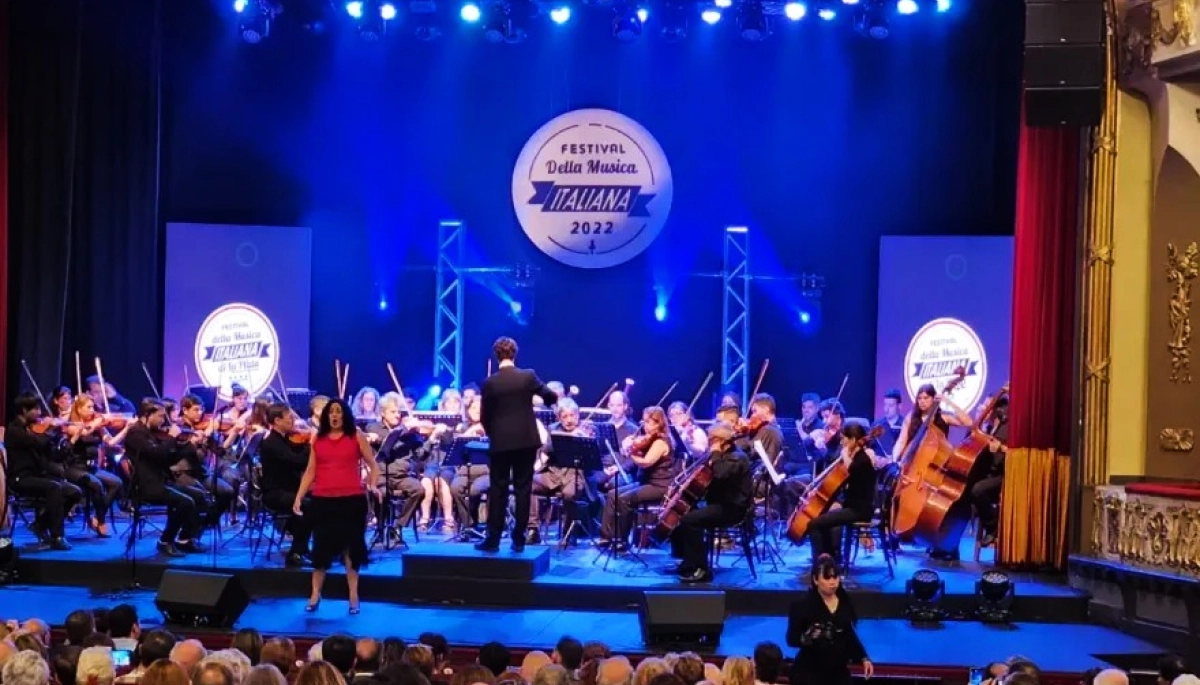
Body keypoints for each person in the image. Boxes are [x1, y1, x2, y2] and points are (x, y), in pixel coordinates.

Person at [292, 398, 381, 614]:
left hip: (351, 499)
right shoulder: (318, 439)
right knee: (321, 548)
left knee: (352, 549)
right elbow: (311, 471)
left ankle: (353, 596)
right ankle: (315, 594)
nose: (334, 415)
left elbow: (373, 465)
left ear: (345, 414)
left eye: (338, 411)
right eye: (331, 412)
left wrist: (372, 484)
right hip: (323, 500)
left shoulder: (356, 436)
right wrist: (299, 496)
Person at [476, 336, 558, 553]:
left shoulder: (489, 382)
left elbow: (484, 417)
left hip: (500, 442)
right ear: (515, 354)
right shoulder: (527, 376)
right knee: (523, 489)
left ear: (496, 356)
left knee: (498, 489)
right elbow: (550, 397)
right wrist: (535, 398)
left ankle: (493, 539)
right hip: (525, 441)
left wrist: (495, 433)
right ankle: (519, 540)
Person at [125, 399, 210, 556]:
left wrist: (189, 445)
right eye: (160, 416)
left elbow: (167, 459)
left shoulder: (150, 432)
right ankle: (165, 541)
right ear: (147, 415)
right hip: (146, 485)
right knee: (185, 502)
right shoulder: (136, 433)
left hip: (161, 480)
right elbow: (157, 454)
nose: (163, 420)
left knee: (199, 496)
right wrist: (172, 438)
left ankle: (185, 539)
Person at [669, 424, 752, 583]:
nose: (708, 443)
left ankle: (702, 569)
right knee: (681, 512)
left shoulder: (737, 457)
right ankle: (687, 561)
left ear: (720, 441)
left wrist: (714, 452)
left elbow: (720, 474)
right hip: (718, 504)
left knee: (690, 520)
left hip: (733, 508)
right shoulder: (721, 455)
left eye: (711, 440)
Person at [4, 393, 82, 550]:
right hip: (21, 479)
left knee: (75, 492)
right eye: (36, 409)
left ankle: (40, 525)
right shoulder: (13, 431)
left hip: (38, 477)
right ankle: (57, 536)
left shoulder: (32, 431)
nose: (40, 413)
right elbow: (39, 443)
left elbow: (54, 455)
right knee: (54, 487)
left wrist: (69, 440)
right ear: (24, 410)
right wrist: (49, 429)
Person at [785, 554, 872, 685]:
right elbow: (791, 639)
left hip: (838, 672)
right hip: (810, 672)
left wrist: (863, 657)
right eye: (827, 577)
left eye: (835, 577)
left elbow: (848, 632)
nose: (832, 582)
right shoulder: (802, 605)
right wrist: (807, 637)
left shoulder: (844, 601)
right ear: (815, 580)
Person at [599, 405, 675, 551]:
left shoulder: (661, 441)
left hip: (660, 486)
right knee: (612, 494)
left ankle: (622, 541)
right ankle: (607, 536)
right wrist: (627, 446)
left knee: (624, 499)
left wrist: (631, 453)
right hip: (646, 482)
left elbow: (646, 462)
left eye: (647, 422)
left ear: (658, 423)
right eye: (644, 421)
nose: (643, 425)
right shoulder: (648, 439)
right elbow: (631, 451)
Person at [802, 424, 879, 562]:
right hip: (852, 506)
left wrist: (844, 454)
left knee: (814, 524)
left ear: (853, 440)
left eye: (844, 439)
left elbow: (852, 470)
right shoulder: (856, 458)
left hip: (859, 510)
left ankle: (820, 562)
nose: (841, 442)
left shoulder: (862, 459)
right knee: (821, 518)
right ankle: (831, 556)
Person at [258, 403, 315, 567]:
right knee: (307, 506)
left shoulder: (285, 438)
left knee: (320, 500)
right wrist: (310, 444)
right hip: (275, 493)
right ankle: (295, 553)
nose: (294, 421)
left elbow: (296, 454)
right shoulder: (271, 443)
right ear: (277, 421)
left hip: (290, 489)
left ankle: (304, 548)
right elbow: (298, 462)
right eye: (290, 418)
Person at [971, 394, 1009, 546]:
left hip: (1003, 474)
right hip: (989, 473)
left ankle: (993, 527)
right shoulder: (987, 427)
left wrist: (1000, 447)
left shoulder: (1007, 427)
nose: (984, 410)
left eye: (988, 407)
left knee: (978, 490)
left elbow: (1015, 452)